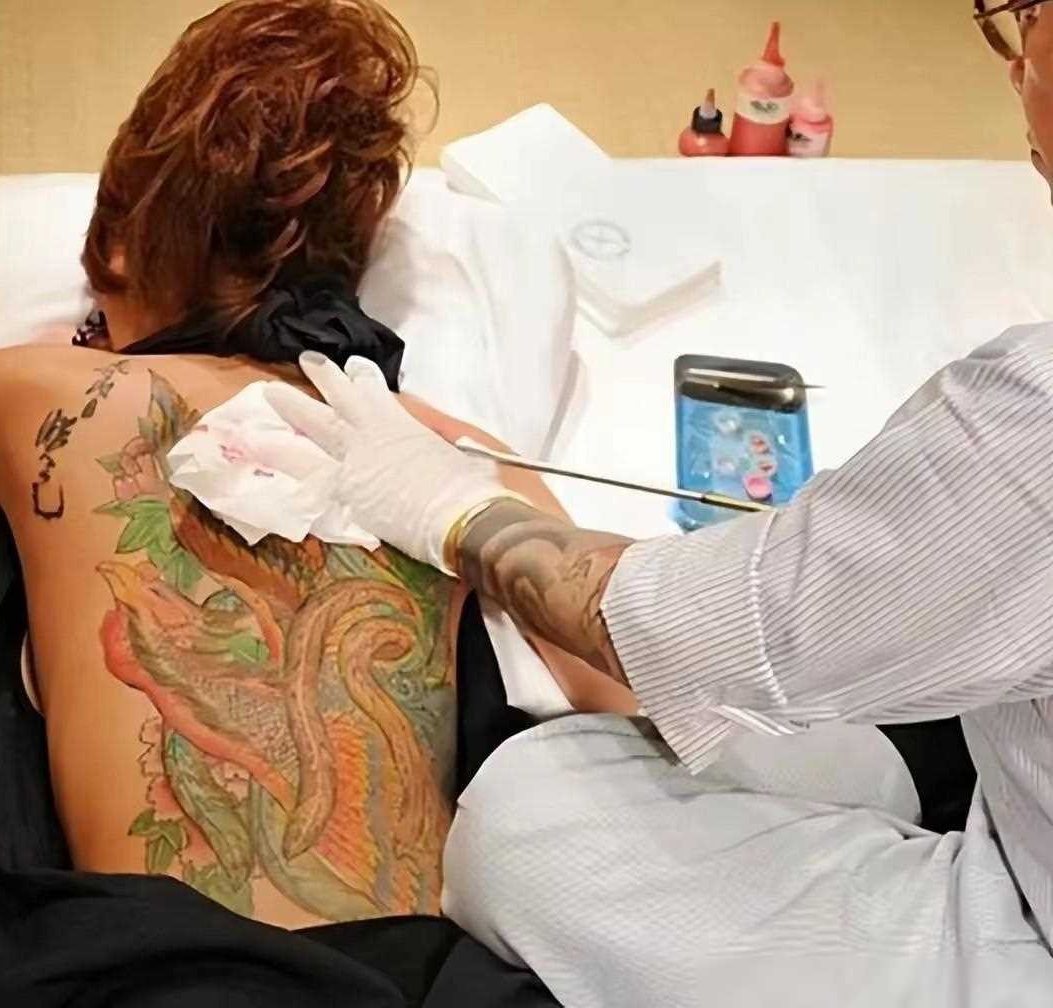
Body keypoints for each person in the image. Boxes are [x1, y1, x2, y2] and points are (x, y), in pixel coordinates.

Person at [266, 3, 1053, 1004]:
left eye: (1030, 13)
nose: (1014, 57)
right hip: (1002, 811)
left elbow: (697, 635)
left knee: (527, 820)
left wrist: (455, 509)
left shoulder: (1032, 418)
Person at [0, 1, 626, 1003]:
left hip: (162, 971)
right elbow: (637, 672)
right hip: (435, 978)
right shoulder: (449, 451)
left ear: (118, 249)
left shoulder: (46, 393)